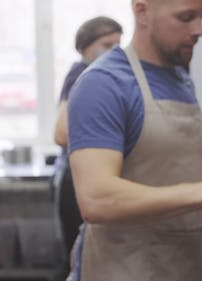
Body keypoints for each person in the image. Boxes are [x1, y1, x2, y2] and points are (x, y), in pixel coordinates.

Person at [65, 0, 202, 280]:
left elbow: (171, 161)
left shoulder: (179, 77)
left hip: (179, 265)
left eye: (201, 16)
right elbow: (97, 199)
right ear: (142, 11)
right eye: (186, 17)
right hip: (124, 267)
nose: (199, 30)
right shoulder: (103, 84)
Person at [52, 16, 122, 274]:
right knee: (79, 258)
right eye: (106, 44)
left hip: (80, 179)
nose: (114, 52)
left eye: (118, 44)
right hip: (74, 181)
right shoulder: (82, 74)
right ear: (85, 47)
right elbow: (61, 134)